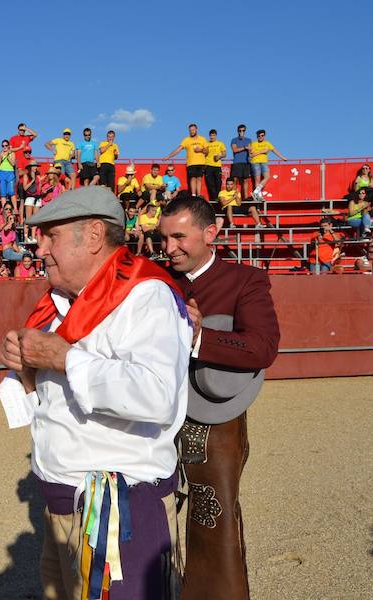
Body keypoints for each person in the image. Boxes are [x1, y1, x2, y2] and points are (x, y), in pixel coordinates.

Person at [0, 185, 191, 600]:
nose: (40, 246)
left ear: (93, 236)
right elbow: (47, 405)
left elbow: (156, 396)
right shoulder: (55, 304)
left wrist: (64, 359)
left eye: (52, 234)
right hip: (61, 502)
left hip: (120, 509)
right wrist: (26, 370)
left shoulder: (146, 296)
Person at [159, 196, 280, 600]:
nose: (169, 247)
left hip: (212, 420)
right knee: (150, 510)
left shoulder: (245, 280)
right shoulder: (155, 279)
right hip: (153, 413)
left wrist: (200, 337)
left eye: (179, 237)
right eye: (164, 237)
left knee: (214, 515)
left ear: (211, 233)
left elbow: (262, 347)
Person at [165, 124, 208, 196]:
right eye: (190, 130)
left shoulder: (202, 139)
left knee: (199, 178)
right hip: (191, 163)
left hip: (201, 162)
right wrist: (169, 156)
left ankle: (199, 195)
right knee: (193, 178)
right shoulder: (186, 140)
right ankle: (193, 195)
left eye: (193, 130)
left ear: (196, 129)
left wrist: (201, 150)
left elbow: (207, 151)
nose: (192, 131)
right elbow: (178, 149)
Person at [249, 129, 286, 201]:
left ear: (264, 136)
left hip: (264, 162)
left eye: (262, 135)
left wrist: (282, 157)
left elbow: (274, 150)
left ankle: (256, 192)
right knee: (257, 180)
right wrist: (262, 151)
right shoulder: (253, 143)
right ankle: (259, 196)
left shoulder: (267, 143)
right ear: (257, 136)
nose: (260, 137)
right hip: (255, 162)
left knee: (267, 177)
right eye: (259, 136)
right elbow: (251, 155)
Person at [229, 125, 253, 202]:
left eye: (243, 130)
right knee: (235, 180)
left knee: (245, 180)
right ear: (238, 131)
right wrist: (244, 148)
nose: (241, 132)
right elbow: (235, 150)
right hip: (237, 162)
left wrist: (249, 149)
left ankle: (245, 197)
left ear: (245, 131)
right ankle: (235, 197)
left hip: (246, 162)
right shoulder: (234, 140)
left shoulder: (249, 140)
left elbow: (250, 150)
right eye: (240, 130)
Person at [21, 162, 42, 242]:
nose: (35, 167)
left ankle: (33, 236)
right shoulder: (26, 175)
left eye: (36, 166)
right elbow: (25, 188)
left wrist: (40, 185)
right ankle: (26, 237)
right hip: (29, 197)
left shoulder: (38, 176)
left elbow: (39, 188)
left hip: (37, 197)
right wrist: (32, 180)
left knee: (35, 219)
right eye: (34, 166)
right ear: (30, 167)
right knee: (28, 219)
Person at [204, 129, 226, 204]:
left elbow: (224, 154)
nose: (212, 137)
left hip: (217, 166)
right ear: (209, 136)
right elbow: (203, 153)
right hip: (208, 165)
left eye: (213, 135)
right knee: (210, 184)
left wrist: (219, 156)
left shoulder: (220, 143)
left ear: (216, 136)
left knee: (218, 183)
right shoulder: (206, 143)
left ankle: (218, 199)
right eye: (211, 135)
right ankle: (213, 199)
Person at [0, 140, 17, 206]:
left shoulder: (12, 153)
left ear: (8, 146)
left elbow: (13, 164)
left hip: (10, 173)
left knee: (11, 192)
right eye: (3, 146)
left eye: (6, 145)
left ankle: (15, 209)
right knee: (3, 193)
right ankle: (4, 209)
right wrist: (0, 157)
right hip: (2, 172)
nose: (4, 147)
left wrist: (8, 156)